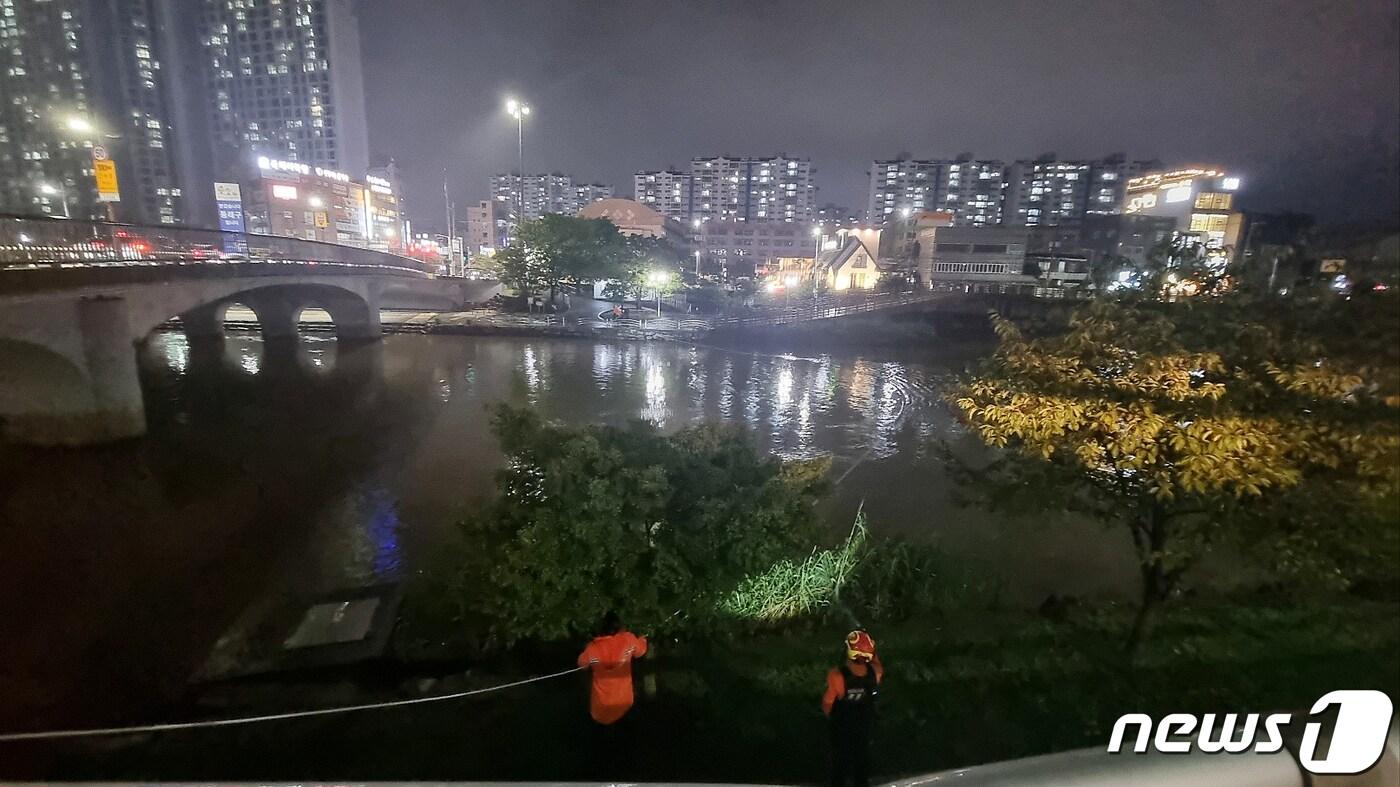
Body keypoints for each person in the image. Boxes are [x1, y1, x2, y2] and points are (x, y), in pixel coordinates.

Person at [577, 611, 648, 775]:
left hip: (600, 709)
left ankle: (600, 772)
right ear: (620, 626)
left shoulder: (593, 649)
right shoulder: (628, 640)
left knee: (601, 751)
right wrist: (643, 638)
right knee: (626, 749)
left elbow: (581, 663)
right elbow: (641, 651)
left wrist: (588, 651)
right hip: (625, 704)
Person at [822, 629, 883, 787]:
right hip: (864, 726)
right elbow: (876, 662)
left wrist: (831, 717)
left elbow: (828, 703)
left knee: (839, 765)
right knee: (861, 764)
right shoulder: (875, 673)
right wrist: (870, 647)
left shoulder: (837, 675)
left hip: (841, 728)